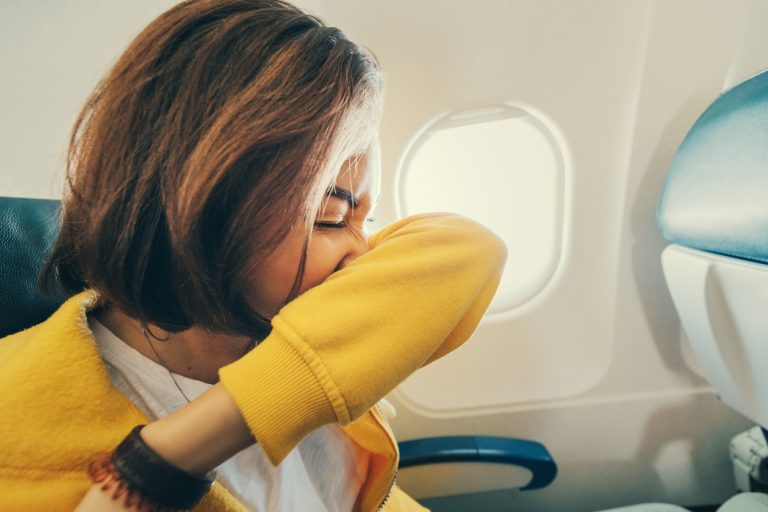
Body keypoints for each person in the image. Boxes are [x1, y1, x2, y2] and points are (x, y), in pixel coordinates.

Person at [0, 1, 507, 511]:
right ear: (206, 204)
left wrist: (181, 450)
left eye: (366, 220)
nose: (361, 251)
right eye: (331, 217)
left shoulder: (299, 336)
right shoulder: (19, 427)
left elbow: (469, 247)